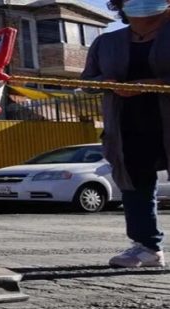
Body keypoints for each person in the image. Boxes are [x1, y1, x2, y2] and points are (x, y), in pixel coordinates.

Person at [81, 0, 170, 267]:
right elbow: (86, 83)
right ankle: (146, 247)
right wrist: (104, 83)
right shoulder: (106, 43)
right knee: (135, 186)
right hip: (127, 126)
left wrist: (158, 84)